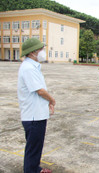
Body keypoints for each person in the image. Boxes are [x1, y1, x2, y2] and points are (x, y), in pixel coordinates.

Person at [18, 38, 55, 173]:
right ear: (33, 52)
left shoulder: (32, 66)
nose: (43, 52)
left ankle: (35, 168)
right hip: (33, 116)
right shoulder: (28, 68)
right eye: (41, 49)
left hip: (37, 114)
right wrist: (52, 100)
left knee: (36, 146)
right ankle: (31, 170)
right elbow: (39, 90)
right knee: (33, 148)